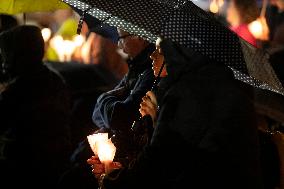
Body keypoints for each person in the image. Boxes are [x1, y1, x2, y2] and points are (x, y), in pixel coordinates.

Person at [88, 38, 263, 189]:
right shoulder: (215, 81)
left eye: (160, 50)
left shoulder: (190, 93)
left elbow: (159, 164)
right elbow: (172, 153)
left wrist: (112, 180)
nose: (152, 55)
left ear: (177, 55)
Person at [0, 25, 72, 187]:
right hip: (57, 161)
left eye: (5, 54)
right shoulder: (55, 79)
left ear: (16, 55)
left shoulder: (18, 90)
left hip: (22, 167)